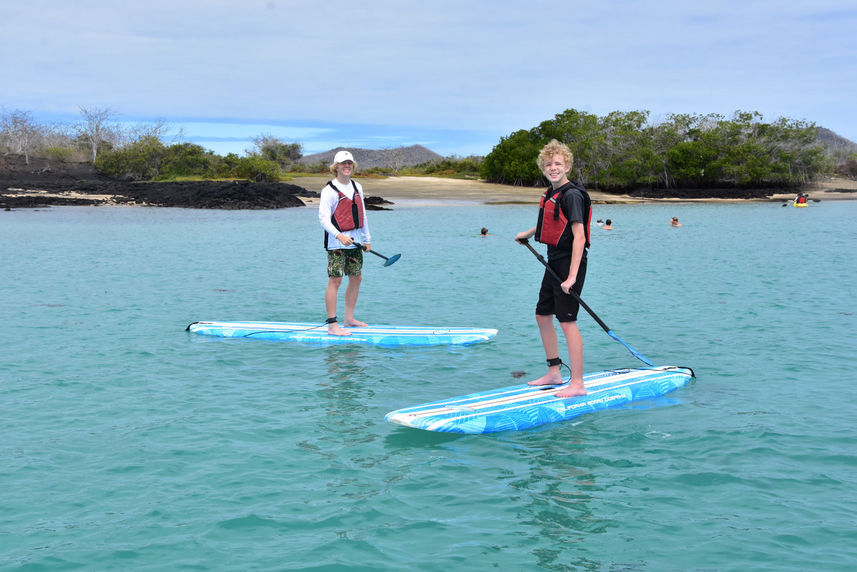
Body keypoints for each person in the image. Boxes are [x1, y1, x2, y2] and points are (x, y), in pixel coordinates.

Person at [515, 139, 591, 398]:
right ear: (543, 168)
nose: (553, 167)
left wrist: (571, 277)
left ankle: (578, 383)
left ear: (567, 166)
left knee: (567, 321)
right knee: (542, 315)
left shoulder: (571, 195)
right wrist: (527, 232)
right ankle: (554, 372)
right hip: (552, 261)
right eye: (548, 164)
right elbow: (551, 222)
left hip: (571, 263)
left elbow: (579, 236)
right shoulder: (551, 192)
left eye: (558, 163)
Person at [318, 150, 371, 336]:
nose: (347, 166)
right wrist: (339, 236)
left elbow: (362, 214)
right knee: (336, 280)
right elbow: (323, 219)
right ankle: (332, 325)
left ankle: (349, 319)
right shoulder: (329, 191)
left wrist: (367, 239)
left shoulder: (357, 186)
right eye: (343, 163)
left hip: (355, 242)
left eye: (349, 163)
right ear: (336, 167)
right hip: (336, 244)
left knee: (357, 277)